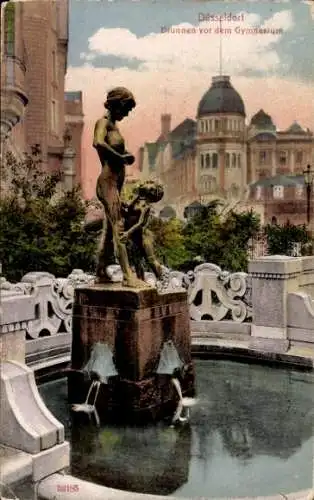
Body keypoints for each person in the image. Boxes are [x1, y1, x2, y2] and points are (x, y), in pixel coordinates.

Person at [93, 87, 147, 287]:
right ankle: (128, 275)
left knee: (109, 231)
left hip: (116, 184)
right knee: (119, 228)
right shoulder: (103, 123)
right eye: (126, 108)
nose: (127, 113)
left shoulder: (114, 127)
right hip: (107, 182)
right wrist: (121, 157)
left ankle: (100, 270)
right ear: (117, 104)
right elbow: (97, 143)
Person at [120, 180, 164, 281]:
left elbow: (140, 223)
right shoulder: (138, 199)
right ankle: (141, 280)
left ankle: (162, 279)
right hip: (133, 236)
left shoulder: (146, 206)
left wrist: (127, 233)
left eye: (151, 187)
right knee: (137, 261)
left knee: (151, 260)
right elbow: (128, 208)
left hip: (142, 235)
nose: (145, 185)